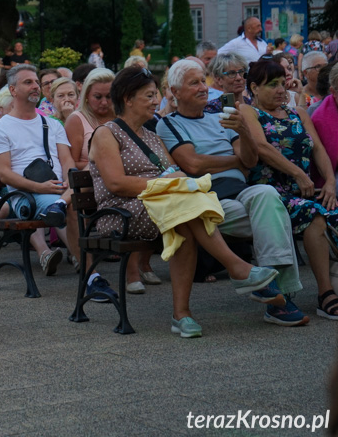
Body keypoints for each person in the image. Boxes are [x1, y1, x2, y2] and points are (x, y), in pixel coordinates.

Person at [91, 67, 281, 337]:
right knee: (183, 210)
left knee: (183, 222)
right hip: (121, 212)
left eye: (156, 95)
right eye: (149, 96)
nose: (157, 101)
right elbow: (116, 184)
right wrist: (170, 184)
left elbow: (174, 171)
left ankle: (184, 315)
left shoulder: (153, 137)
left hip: (163, 206)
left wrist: (175, 181)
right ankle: (234, 270)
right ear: (128, 98)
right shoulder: (106, 133)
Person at [157, 59, 307, 325]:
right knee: (271, 216)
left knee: (267, 194)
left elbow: (249, 160)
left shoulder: (222, 118)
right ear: (175, 92)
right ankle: (279, 298)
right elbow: (192, 163)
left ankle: (269, 287)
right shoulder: (168, 124)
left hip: (239, 190)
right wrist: (234, 160)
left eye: (204, 80)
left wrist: (244, 133)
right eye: (195, 83)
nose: (204, 87)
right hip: (208, 198)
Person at [240, 60, 338, 321]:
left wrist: (329, 182)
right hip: (272, 193)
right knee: (314, 215)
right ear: (254, 88)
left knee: (331, 210)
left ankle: (329, 289)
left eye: (283, 83)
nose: (281, 89)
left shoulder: (298, 113)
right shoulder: (249, 112)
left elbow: (318, 149)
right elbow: (261, 147)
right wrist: (297, 174)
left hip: (304, 191)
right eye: (273, 85)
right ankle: (326, 293)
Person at [0, 64, 78, 280]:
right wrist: (41, 187)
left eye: (37, 81)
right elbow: (5, 175)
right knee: (73, 206)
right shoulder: (0, 129)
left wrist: (68, 180)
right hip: (26, 195)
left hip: (58, 189)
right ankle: (90, 275)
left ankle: (85, 264)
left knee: (78, 195)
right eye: (28, 82)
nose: (36, 86)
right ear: (13, 90)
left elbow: (67, 160)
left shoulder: (52, 125)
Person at [65, 68, 114, 171]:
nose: (104, 102)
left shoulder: (122, 117)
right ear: (86, 95)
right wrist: (104, 166)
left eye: (109, 96)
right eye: (98, 97)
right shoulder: (76, 120)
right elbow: (70, 164)